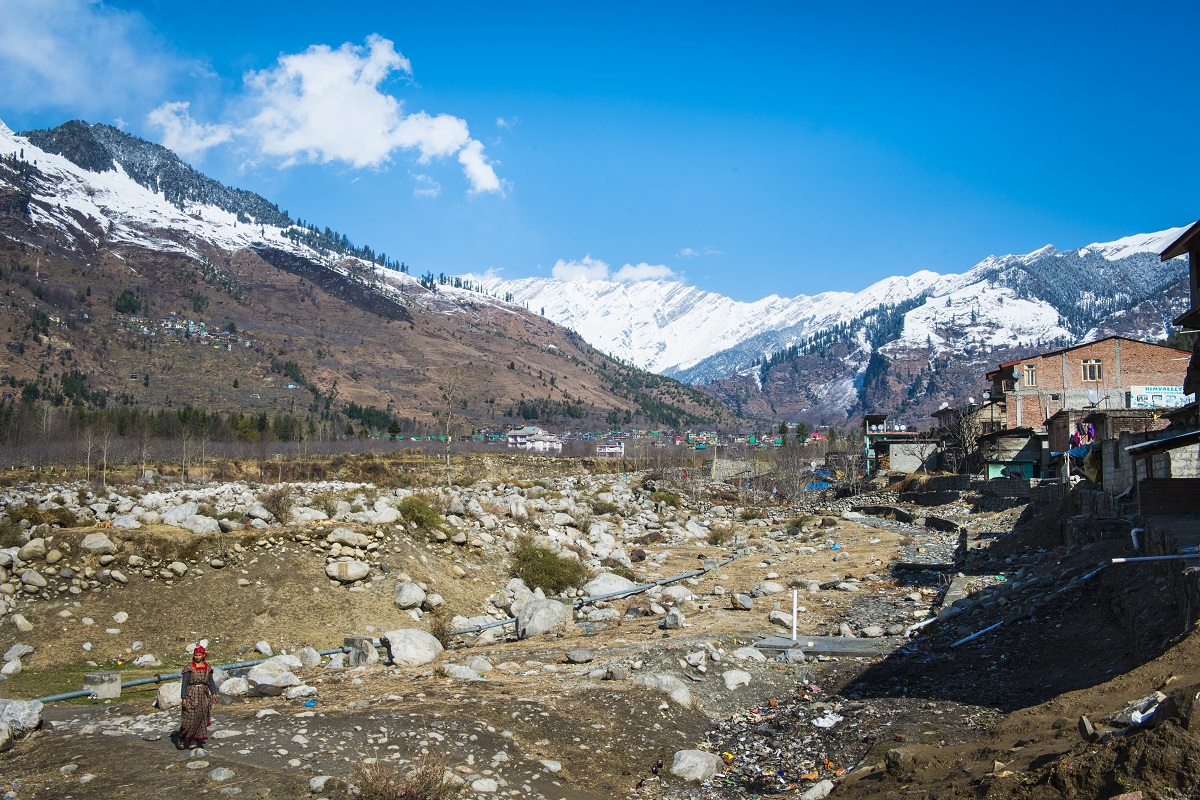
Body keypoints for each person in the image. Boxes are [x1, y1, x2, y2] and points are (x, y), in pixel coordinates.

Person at [179, 645, 218, 749]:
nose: (197, 657)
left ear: (203, 655)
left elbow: (210, 682)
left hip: (203, 695)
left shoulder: (207, 667)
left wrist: (213, 693)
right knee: (189, 717)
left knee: (200, 717)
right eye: (196, 655)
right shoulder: (189, 668)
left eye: (199, 655)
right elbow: (184, 683)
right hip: (191, 694)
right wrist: (183, 697)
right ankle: (182, 737)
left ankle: (194, 740)